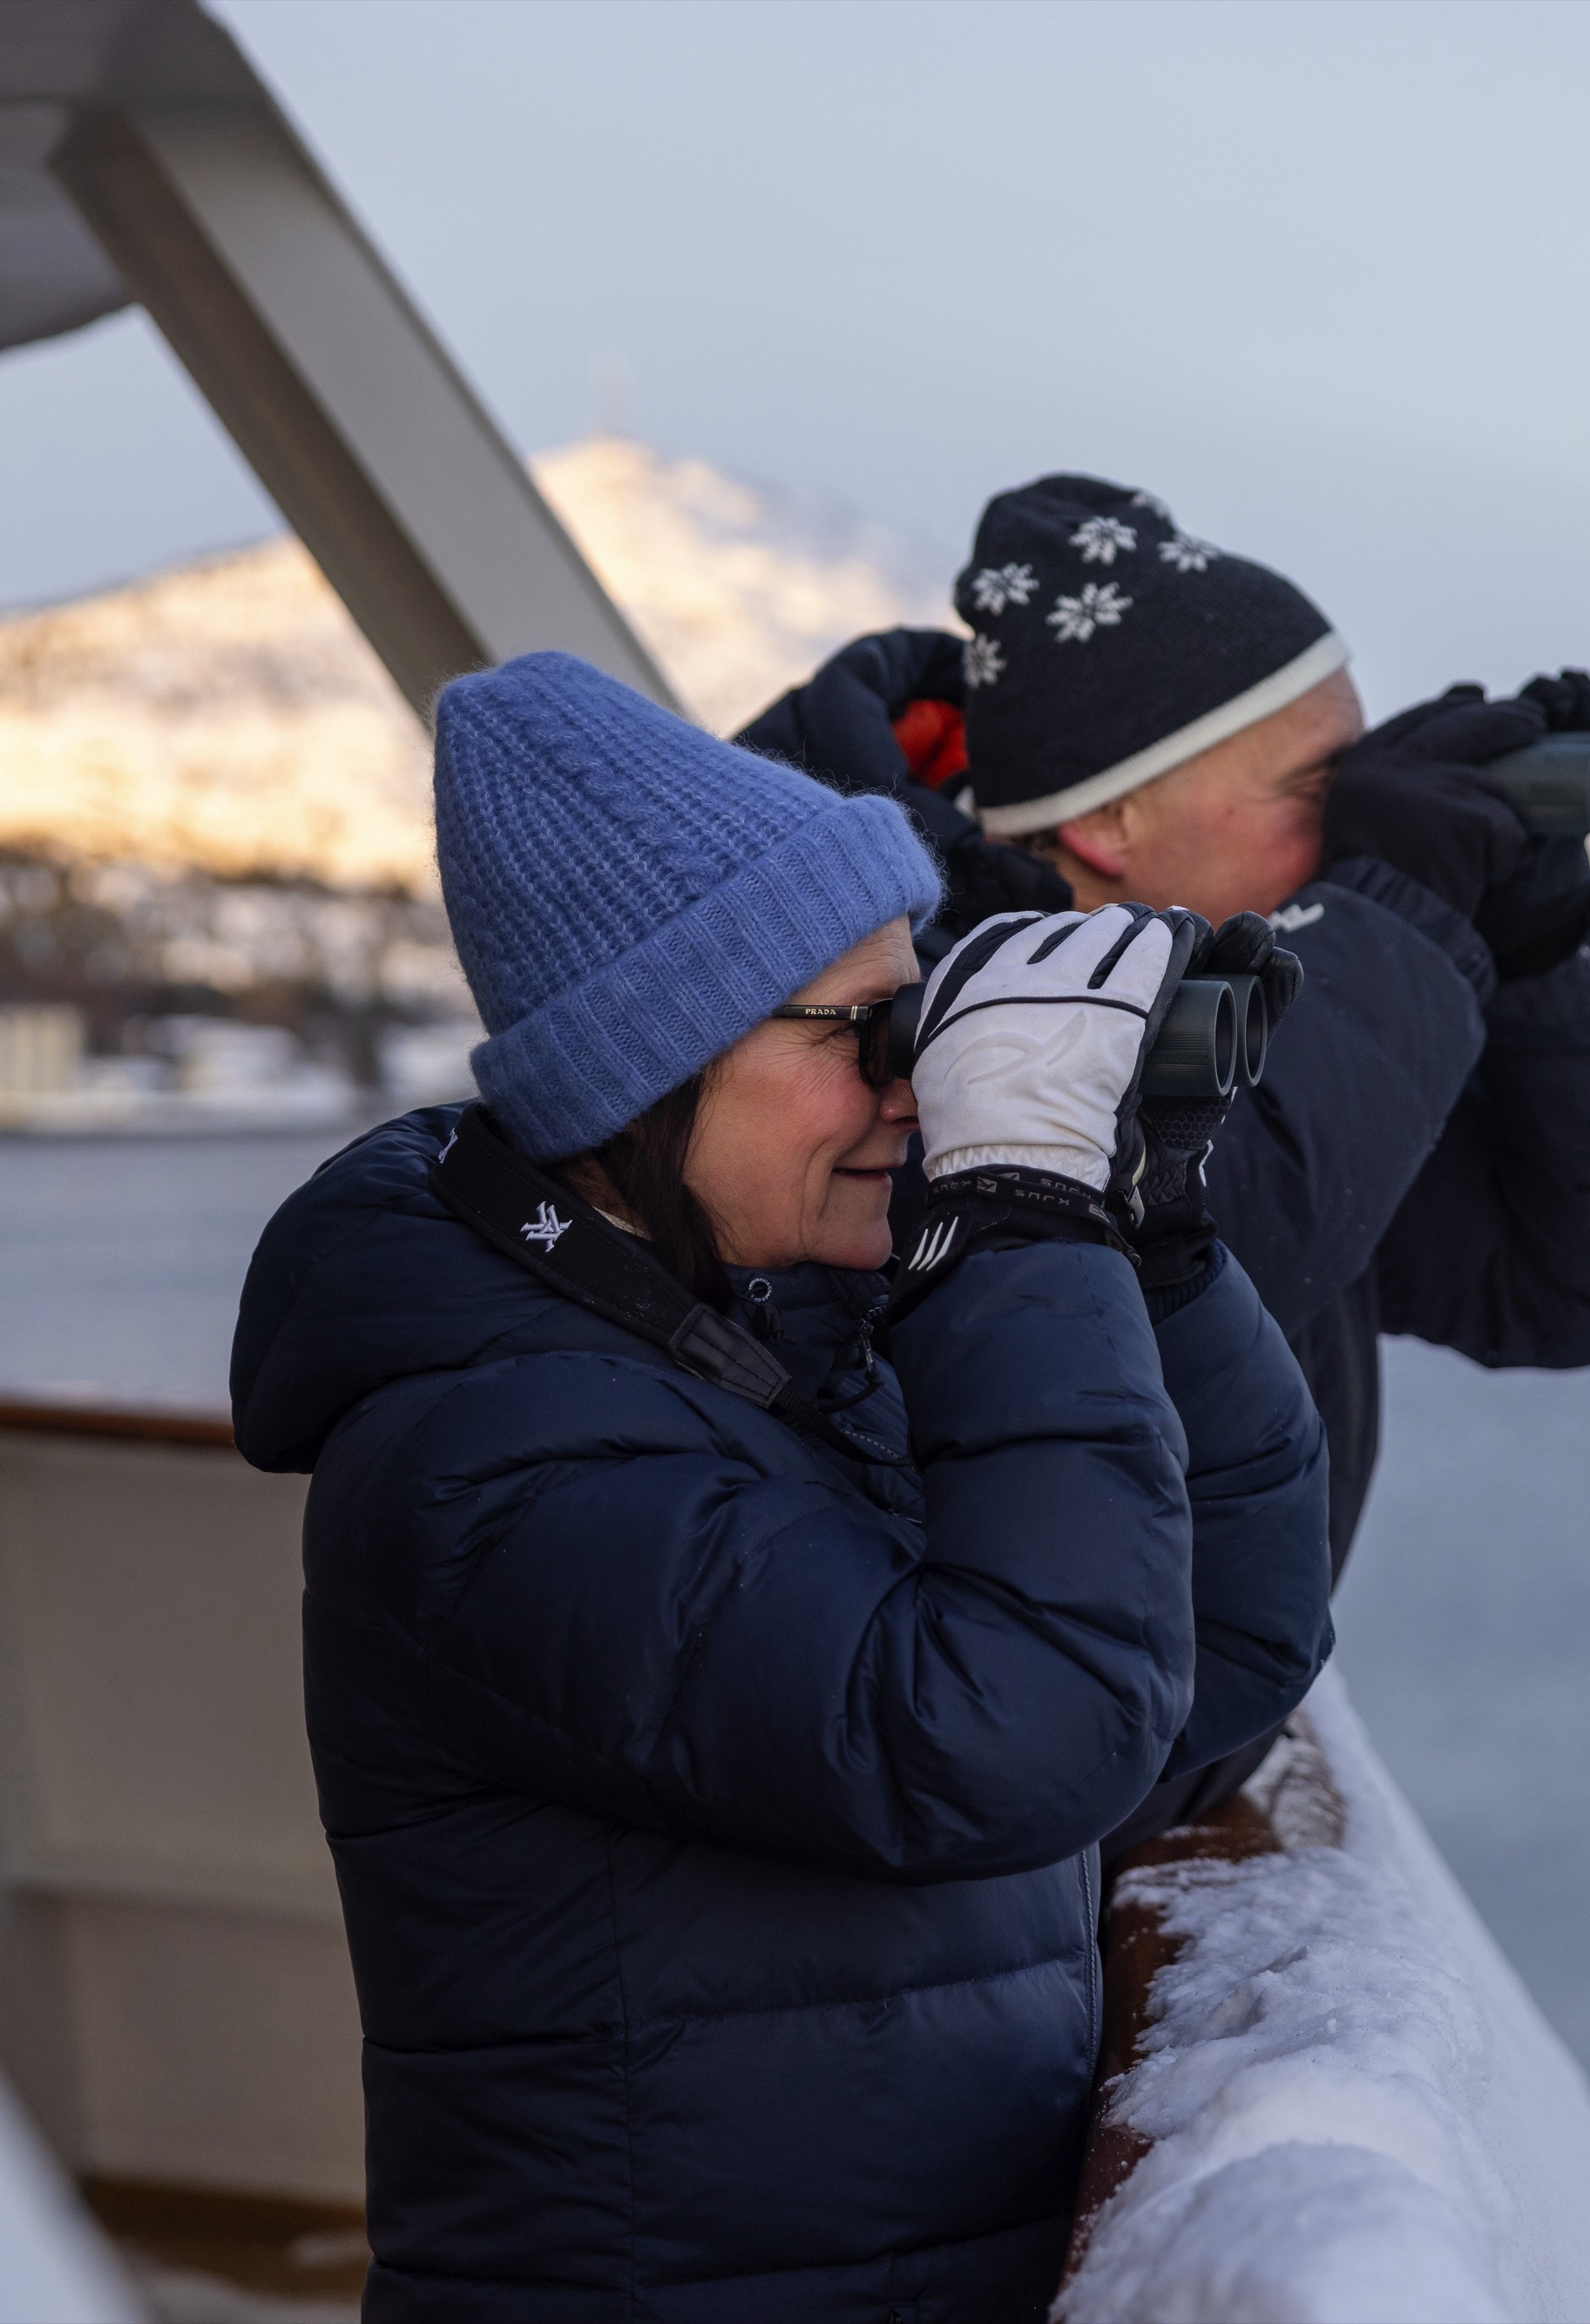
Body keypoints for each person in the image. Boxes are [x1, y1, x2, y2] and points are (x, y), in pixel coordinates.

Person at [230, 652, 1333, 2322]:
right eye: (862, 1030)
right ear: (644, 1068)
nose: (913, 1084)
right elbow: (1015, 1735)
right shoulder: (484, 1469)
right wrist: (1016, 1210)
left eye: (927, 1015)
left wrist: (1147, 1240)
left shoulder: (779, 1337)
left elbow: (1215, 1660)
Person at [740, 475, 1590, 1608]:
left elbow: (1578, 1279)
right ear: (1108, 823)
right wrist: (1400, 896)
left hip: (1141, 1737)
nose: (1355, 823)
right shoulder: (893, 1004)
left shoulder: (1270, 1020)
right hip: (991, 1745)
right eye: (1320, 788)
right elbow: (1203, 1234)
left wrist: (1554, 936)